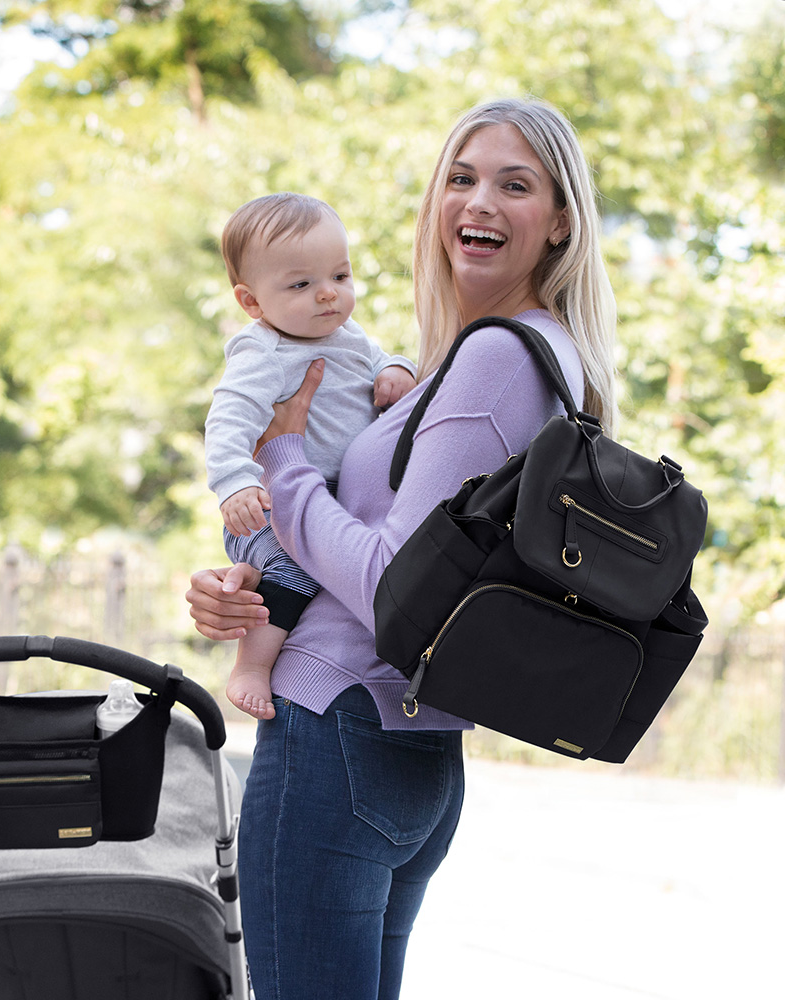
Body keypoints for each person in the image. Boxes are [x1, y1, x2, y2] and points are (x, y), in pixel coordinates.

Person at [186, 97, 617, 1000]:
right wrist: (257, 584)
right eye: (460, 179)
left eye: (514, 184)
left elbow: (389, 580)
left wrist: (283, 459)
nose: (478, 203)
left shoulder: (500, 359)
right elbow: (397, 553)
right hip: (398, 744)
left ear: (561, 220)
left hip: (338, 735)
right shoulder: (487, 355)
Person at [206, 192, 417, 721]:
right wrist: (233, 482)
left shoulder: (346, 336)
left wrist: (395, 369)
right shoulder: (265, 351)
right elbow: (229, 416)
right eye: (301, 284)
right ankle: (250, 668)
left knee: (314, 565)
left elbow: (379, 359)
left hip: (318, 507)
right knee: (295, 571)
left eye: (340, 277)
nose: (328, 295)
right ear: (252, 302)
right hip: (268, 514)